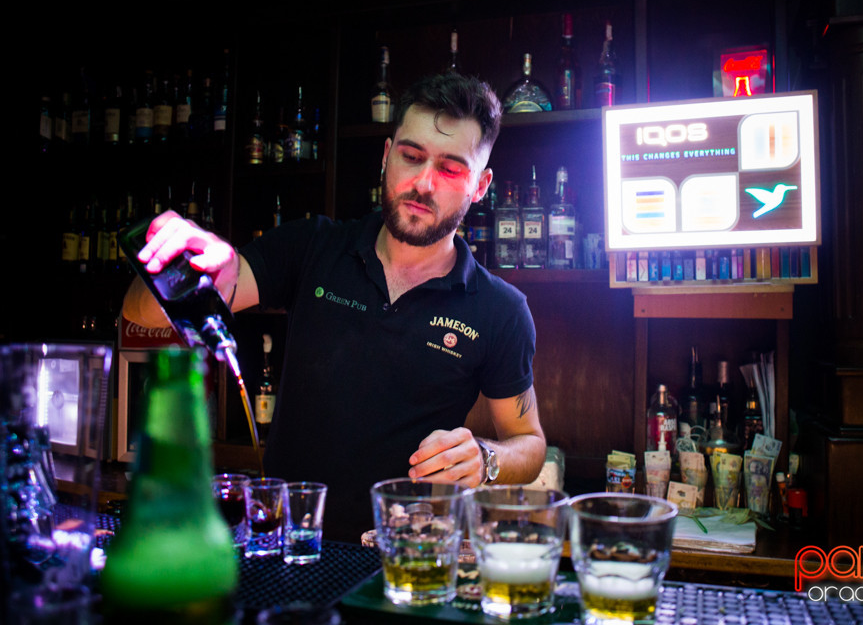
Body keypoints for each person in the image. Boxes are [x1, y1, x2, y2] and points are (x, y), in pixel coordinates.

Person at [122, 72, 547, 541]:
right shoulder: (313, 247)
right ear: (386, 155)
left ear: (480, 186)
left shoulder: (500, 310)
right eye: (411, 156)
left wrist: (486, 458)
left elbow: (529, 445)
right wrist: (177, 268)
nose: (424, 183)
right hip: (288, 545)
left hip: (401, 558)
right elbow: (139, 311)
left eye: (450, 169)